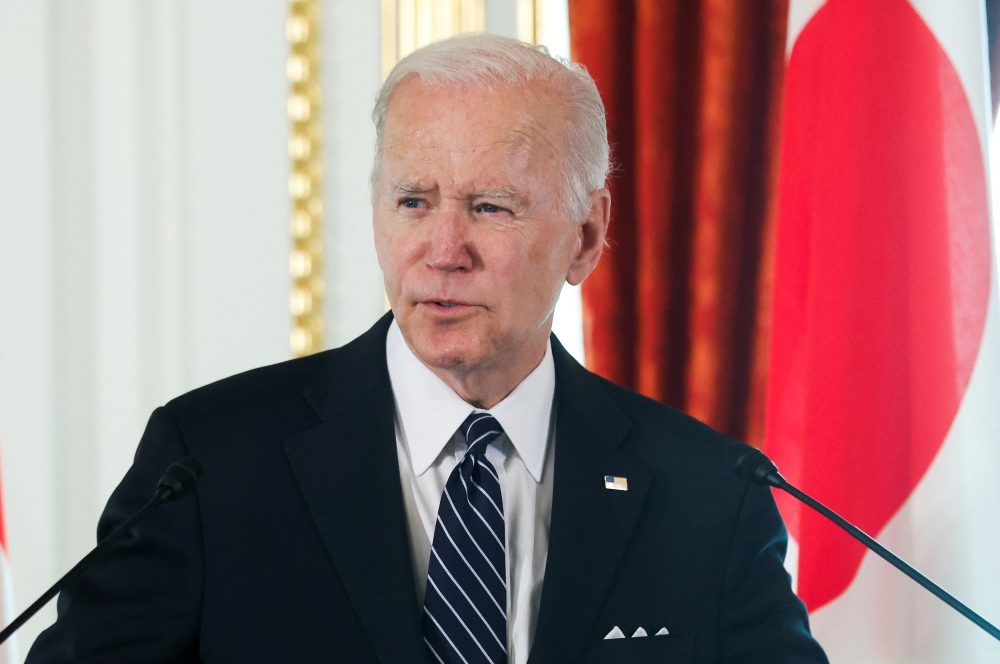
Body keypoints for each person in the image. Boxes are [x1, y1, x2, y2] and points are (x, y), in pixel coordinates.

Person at [26, 34, 827, 663]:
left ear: (586, 237)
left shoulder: (707, 493)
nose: (444, 249)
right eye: (414, 201)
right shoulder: (207, 464)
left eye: (490, 207)